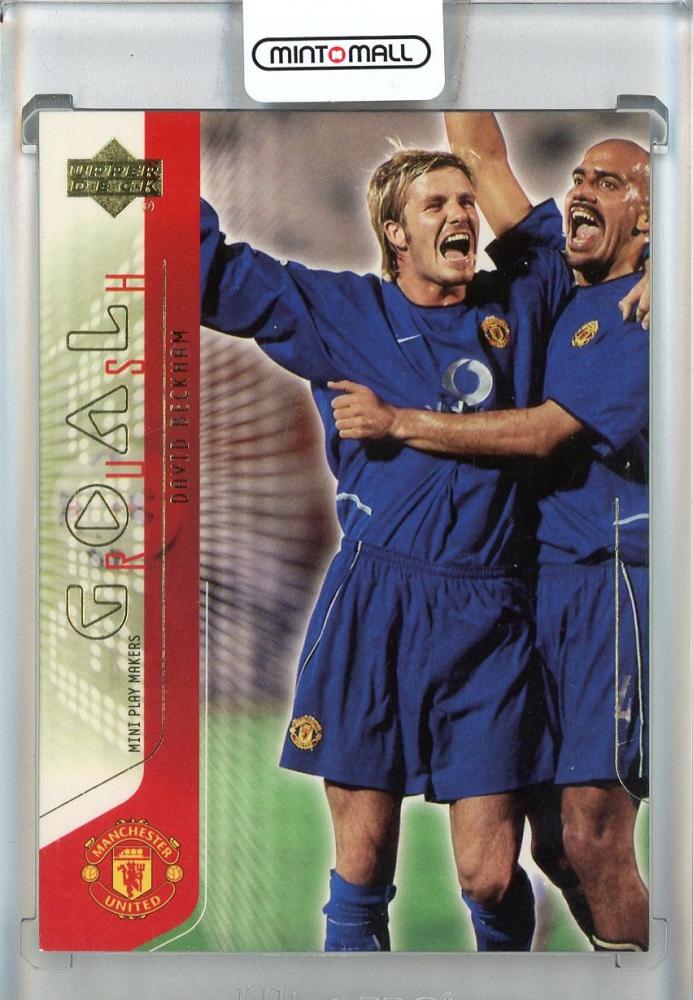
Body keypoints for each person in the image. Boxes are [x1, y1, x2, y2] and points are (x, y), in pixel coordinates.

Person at [200, 120, 574, 952]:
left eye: (465, 201)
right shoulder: (343, 311)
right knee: (362, 865)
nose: (461, 214)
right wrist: (146, 166)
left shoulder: (519, 301)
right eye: (435, 204)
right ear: (394, 233)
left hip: (490, 613)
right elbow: (210, 275)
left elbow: (501, 171)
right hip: (376, 608)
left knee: (489, 875)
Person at [330, 127, 650, 951]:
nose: (580, 190)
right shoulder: (551, 271)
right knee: (552, 847)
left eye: (608, 182)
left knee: (590, 833)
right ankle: (611, 966)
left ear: (652, 218)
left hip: (608, 582)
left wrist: (399, 423)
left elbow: (543, 434)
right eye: (580, 175)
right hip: (528, 587)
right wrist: (443, 54)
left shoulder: (647, 312)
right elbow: (482, 151)